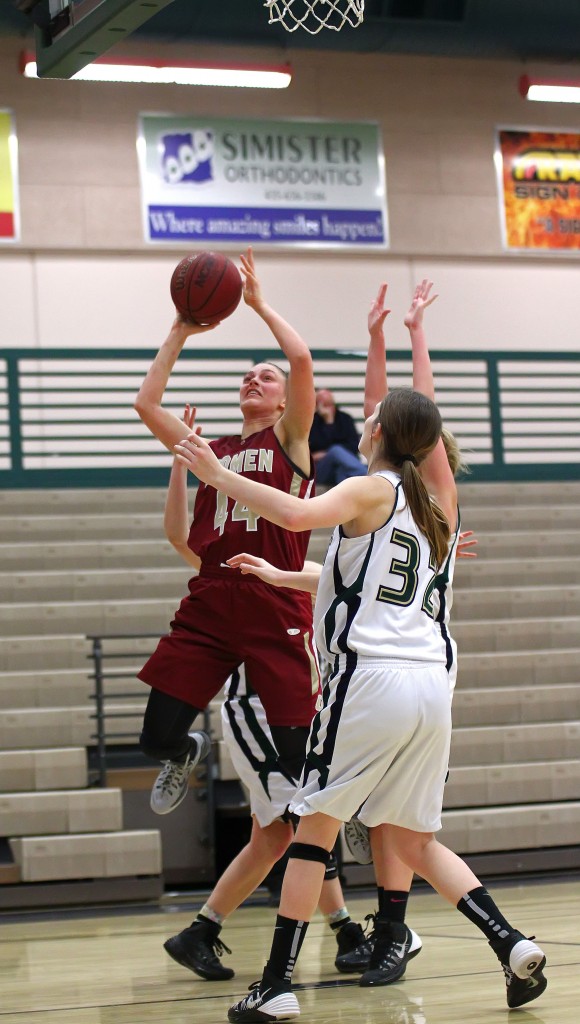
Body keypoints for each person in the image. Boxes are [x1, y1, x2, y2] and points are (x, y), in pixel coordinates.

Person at [174, 343, 547, 1019]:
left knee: (313, 827)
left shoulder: (372, 488)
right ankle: (512, 945)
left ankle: (277, 984)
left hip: (369, 681)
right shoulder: (436, 510)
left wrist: (216, 474)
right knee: (414, 841)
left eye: (371, 414)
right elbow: (374, 588)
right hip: (431, 687)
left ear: (374, 433)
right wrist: (287, 577)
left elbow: (293, 515)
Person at [160, 412, 376, 980]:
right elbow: (182, 537)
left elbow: (349, 577)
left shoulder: (301, 565)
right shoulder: (234, 560)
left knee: (275, 833)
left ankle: (201, 930)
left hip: (296, 698)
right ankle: (346, 930)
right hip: (255, 703)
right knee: (304, 815)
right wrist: (182, 467)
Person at [134, 247, 320, 816]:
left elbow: (303, 359)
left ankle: (352, 806)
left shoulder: (289, 441)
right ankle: (185, 749)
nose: (253, 379)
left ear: (286, 400)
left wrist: (259, 304)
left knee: (297, 757)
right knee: (154, 737)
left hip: (275, 600)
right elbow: (147, 403)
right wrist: (179, 329)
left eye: (266, 376)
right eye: (248, 375)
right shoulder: (208, 451)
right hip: (212, 600)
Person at [340, 279, 475, 986]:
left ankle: (393, 929)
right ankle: (390, 928)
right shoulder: (411, 505)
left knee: (399, 826)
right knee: (393, 822)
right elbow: (399, 413)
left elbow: (416, 414)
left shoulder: (423, 501)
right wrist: (383, 338)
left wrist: (402, 339)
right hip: (411, 670)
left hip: (408, 665)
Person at [309, 388, 367, 486]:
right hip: (321, 469)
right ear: (317, 405)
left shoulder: (345, 419)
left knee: (342, 469)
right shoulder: (312, 422)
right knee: (335, 450)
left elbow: (354, 447)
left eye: (330, 404)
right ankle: (366, 474)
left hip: (341, 466)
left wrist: (328, 453)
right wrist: (328, 423)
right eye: (323, 404)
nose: (328, 408)